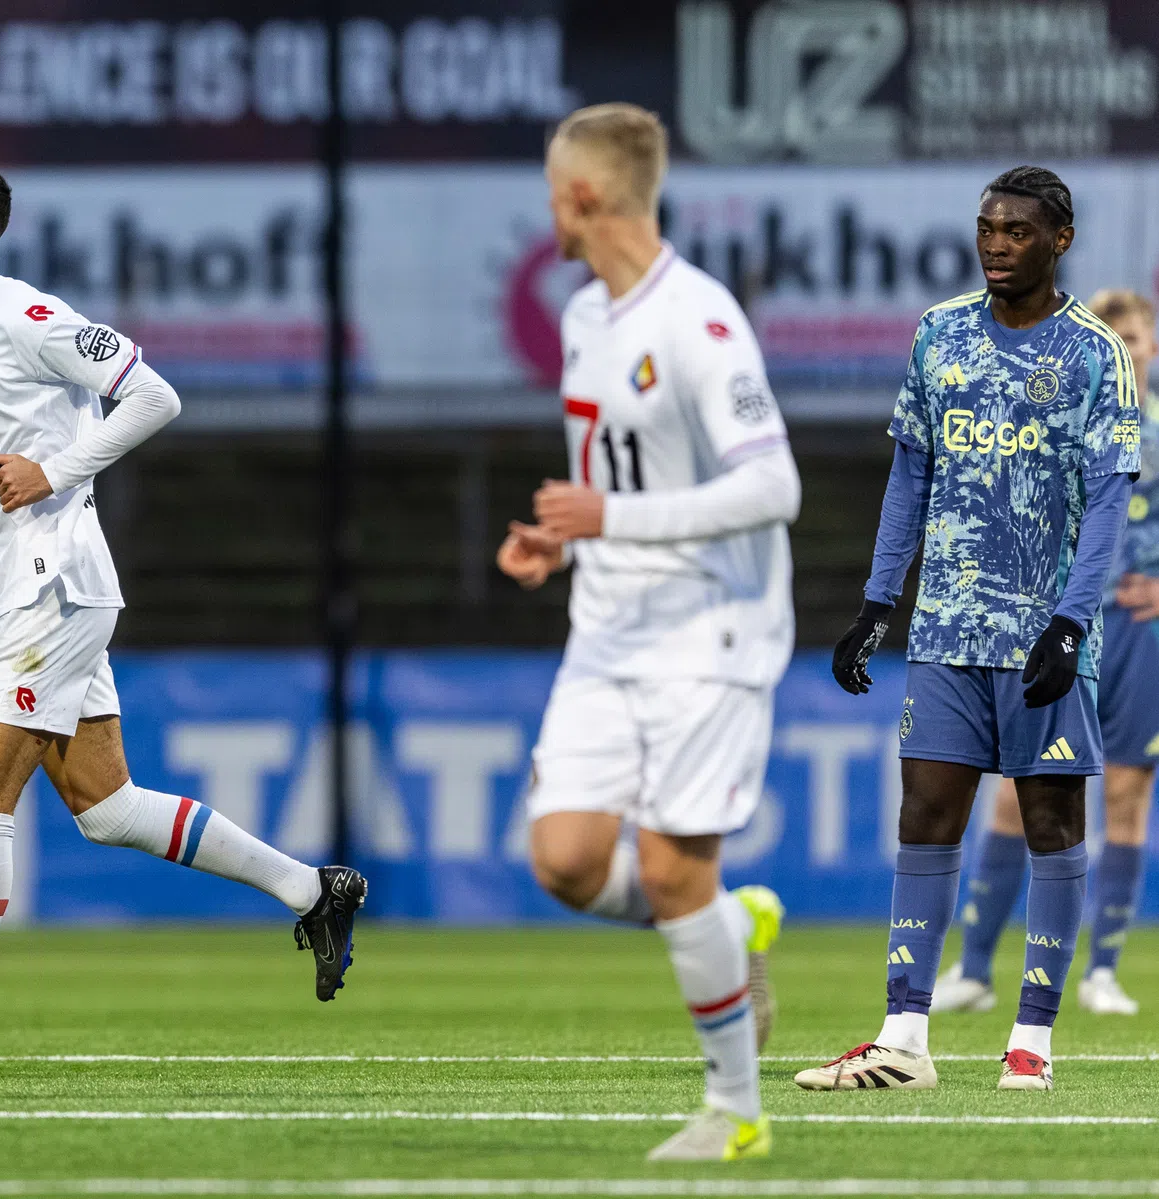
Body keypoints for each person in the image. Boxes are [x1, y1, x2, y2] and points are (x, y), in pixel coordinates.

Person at [0, 156, 367, 1082]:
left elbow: (154, 395)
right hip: (33, 584)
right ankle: (312, 889)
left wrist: (57, 472)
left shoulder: (25, 315)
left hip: (53, 586)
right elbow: (5, 448)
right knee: (106, 808)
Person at [499, 103, 797, 1163]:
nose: (548, 213)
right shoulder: (586, 317)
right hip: (606, 627)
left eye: (552, 194)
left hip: (707, 633)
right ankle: (729, 921)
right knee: (566, 860)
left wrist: (608, 519)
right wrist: (564, 539)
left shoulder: (699, 323)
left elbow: (772, 485)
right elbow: (617, 480)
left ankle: (735, 1108)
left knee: (672, 869)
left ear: (583, 195)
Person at [808, 166, 1140, 1094]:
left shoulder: (1095, 352)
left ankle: (1031, 1040)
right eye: (987, 228)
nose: (996, 244)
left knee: (1050, 822)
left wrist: (1071, 623)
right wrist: (877, 602)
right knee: (924, 814)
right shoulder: (939, 333)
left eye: (1016, 231)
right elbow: (909, 475)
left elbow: (1107, 502)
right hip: (945, 630)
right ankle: (902, 1037)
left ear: (1059, 240)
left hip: (1042, 634)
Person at [933, 289, 1159, 1018]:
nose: (1124, 350)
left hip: (1138, 633)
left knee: (1125, 795)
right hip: (1060, 625)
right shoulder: (1058, 418)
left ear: (1151, 346)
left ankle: (1103, 971)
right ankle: (973, 969)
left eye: (1134, 338)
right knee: (1017, 789)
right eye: (1111, 339)